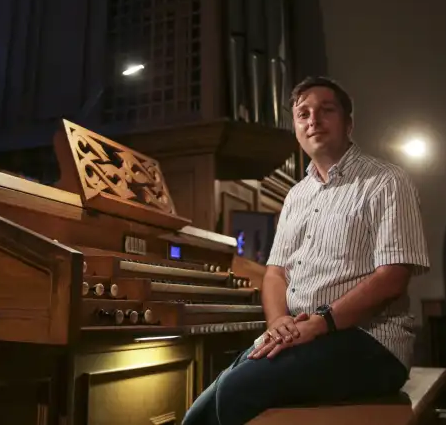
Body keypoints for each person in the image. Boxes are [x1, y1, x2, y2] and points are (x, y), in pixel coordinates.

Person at [182, 76, 431, 425]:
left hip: (370, 342)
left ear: (348, 123)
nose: (313, 120)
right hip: (304, 337)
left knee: (237, 392)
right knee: (201, 410)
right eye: (303, 113)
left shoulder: (387, 181)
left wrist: (320, 323)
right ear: (297, 128)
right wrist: (279, 322)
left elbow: (392, 279)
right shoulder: (296, 195)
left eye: (326, 110)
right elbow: (275, 273)